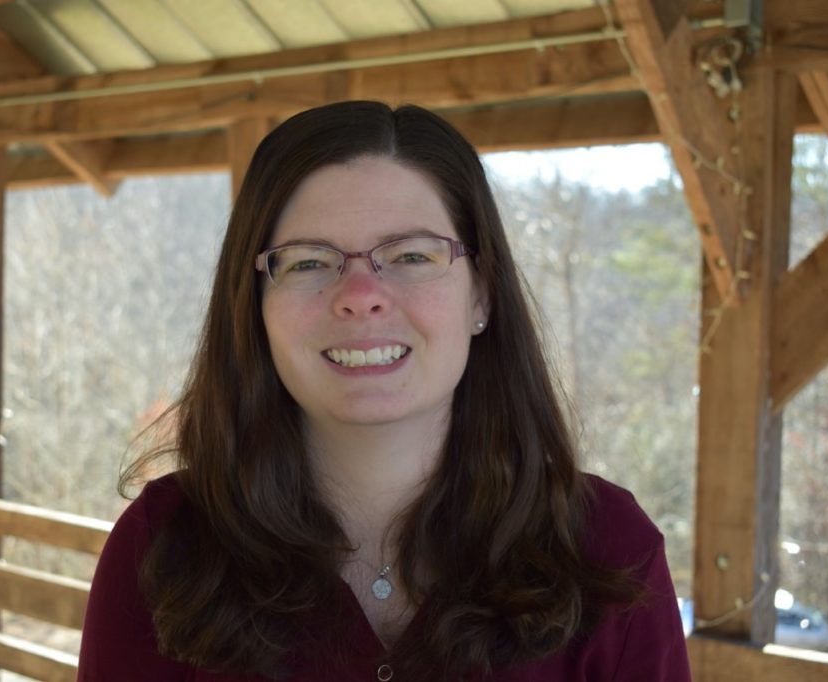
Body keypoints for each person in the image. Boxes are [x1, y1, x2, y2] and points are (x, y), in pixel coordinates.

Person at [78, 101, 690, 681]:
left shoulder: (610, 551)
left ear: (481, 295)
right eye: (309, 262)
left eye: (412, 256)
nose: (360, 294)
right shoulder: (160, 551)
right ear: (253, 306)